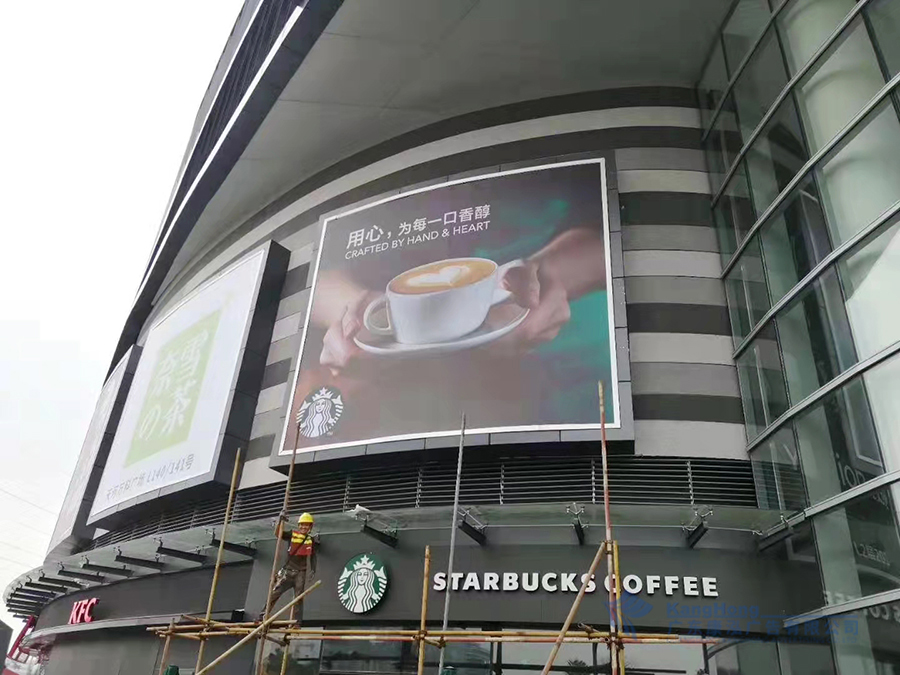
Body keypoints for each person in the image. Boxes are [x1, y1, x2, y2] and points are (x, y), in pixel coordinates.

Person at [268, 512, 317, 615]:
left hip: (301, 572)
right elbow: (278, 534)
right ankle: (262, 616)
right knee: (275, 593)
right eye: (302, 524)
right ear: (299, 525)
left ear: (310, 527)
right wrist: (280, 521)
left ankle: (296, 623)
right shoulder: (292, 534)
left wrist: (313, 569)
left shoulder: (310, 540)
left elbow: (313, 556)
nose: (304, 527)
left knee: (298, 598)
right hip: (288, 571)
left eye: (307, 525)